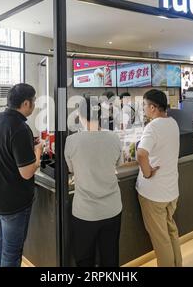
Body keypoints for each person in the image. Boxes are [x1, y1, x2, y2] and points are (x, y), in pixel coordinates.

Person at [0, 83, 43, 267]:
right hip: (14, 201)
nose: (34, 105)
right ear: (26, 103)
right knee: (12, 251)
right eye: (33, 101)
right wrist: (38, 152)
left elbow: (4, 151)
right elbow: (27, 173)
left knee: (3, 242)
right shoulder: (19, 127)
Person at [65, 96, 123, 267]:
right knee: (110, 256)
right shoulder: (114, 138)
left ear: (80, 116)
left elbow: (71, 169)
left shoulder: (72, 141)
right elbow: (118, 164)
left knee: (84, 259)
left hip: (85, 212)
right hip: (112, 209)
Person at [136, 89, 182, 267]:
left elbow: (141, 154)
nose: (144, 109)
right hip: (171, 192)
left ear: (153, 107)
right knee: (171, 233)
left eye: (145, 106)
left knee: (161, 240)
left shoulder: (153, 126)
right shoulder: (172, 123)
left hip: (154, 194)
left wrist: (147, 173)